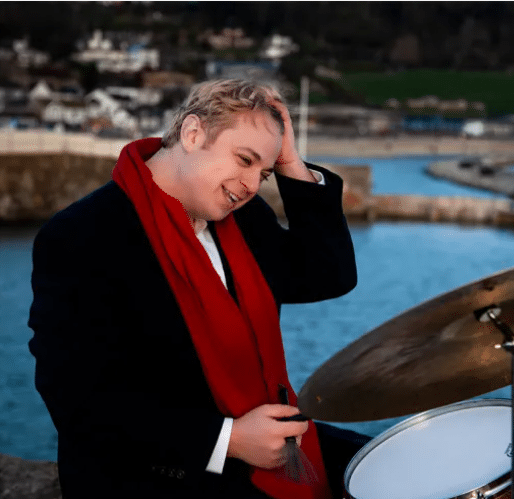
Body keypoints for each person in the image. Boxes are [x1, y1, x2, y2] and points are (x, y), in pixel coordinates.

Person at [28, 79, 368, 499]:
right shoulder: (82, 236)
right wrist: (229, 440)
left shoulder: (243, 218)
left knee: (385, 463)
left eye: (261, 174)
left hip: (258, 435)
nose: (248, 184)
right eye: (243, 159)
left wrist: (289, 163)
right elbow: (77, 399)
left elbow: (327, 274)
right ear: (193, 134)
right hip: (154, 473)